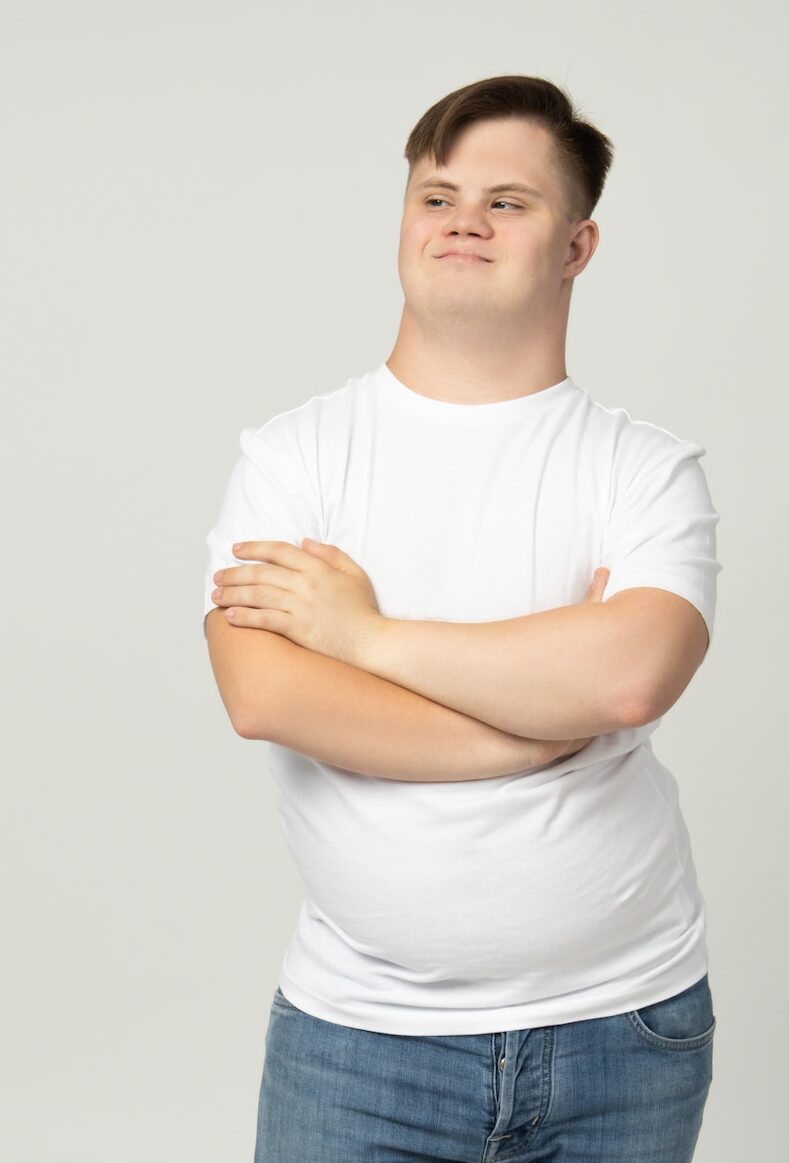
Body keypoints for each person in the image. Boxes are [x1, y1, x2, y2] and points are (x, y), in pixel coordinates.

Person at [203, 73, 722, 1163]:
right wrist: (539, 718)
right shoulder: (294, 457)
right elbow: (266, 695)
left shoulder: (643, 467)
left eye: (508, 200)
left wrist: (365, 638)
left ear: (576, 246)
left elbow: (628, 676)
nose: (463, 223)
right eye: (436, 196)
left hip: (623, 1028)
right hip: (360, 1042)